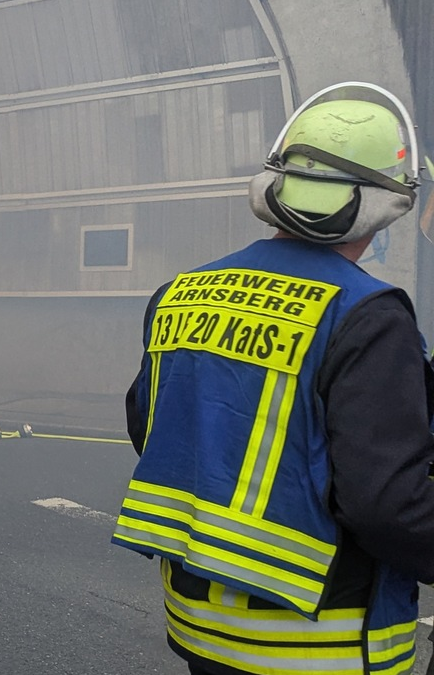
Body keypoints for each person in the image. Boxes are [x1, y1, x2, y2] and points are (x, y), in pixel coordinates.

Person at [111, 82, 434, 675]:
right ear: (388, 202)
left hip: (202, 630)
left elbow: (150, 425)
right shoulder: (369, 316)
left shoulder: (180, 294)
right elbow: (387, 505)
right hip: (321, 644)